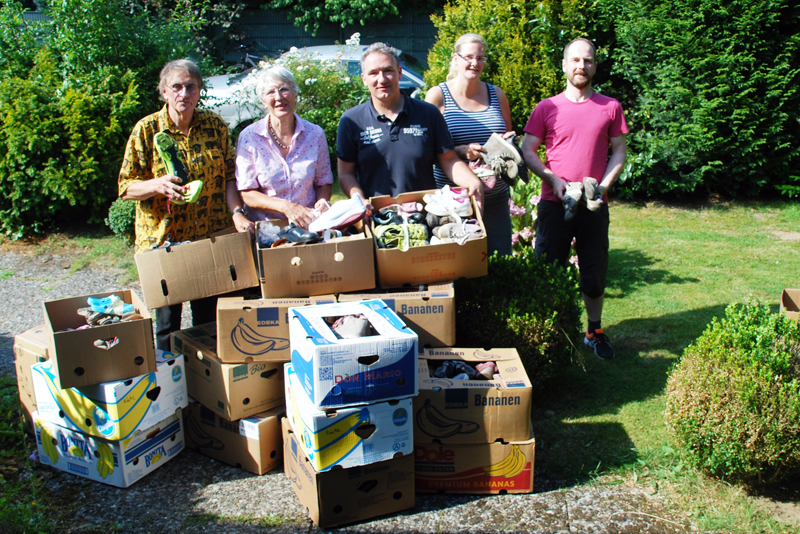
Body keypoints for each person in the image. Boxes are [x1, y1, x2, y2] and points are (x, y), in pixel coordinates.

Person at [119, 58, 254, 351]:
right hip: (165, 240)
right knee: (168, 322)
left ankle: (202, 382)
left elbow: (230, 176)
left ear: (199, 90)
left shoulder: (214, 125)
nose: (184, 93)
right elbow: (126, 187)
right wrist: (157, 185)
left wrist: (236, 213)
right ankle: (171, 382)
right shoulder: (147, 130)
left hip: (207, 237)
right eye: (176, 87)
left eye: (190, 86)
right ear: (164, 92)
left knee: (207, 321)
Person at [521, 38, 628, 359]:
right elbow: (528, 149)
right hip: (555, 204)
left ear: (595, 66)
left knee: (594, 273)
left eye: (589, 60)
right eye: (576, 60)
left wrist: (604, 186)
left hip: (594, 205)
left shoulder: (610, 107)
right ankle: (549, 332)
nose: (582, 65)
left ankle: (593, 331)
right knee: (548, 270)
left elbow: (619, 150)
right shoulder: (547, 107)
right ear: (565, 65)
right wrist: (552, 179)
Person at [337, 42, 483, 209]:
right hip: (377, 215)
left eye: (388, 71)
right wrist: (359, 201)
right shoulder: (351, 120)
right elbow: (346, 174)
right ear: (364, 79)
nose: (382, 79)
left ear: (399, 73)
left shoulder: (428, 113)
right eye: (373, 73)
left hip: (426, 212)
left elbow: (448, 160)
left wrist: (472, 181)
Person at [425, 33, 515, 256]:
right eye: (468, 57)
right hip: (453, 202)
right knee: (458, 264)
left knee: (499, 261)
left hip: (495, 197)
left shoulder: (497, 94)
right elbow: (425, 151)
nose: (475, 63)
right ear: (455, 59)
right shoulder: (437, 96)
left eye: (481, 58)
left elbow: (509, 136)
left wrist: (508, 144)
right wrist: (461, 151)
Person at [235, 66, 333, 228]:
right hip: (267, 229)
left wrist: (323, 201)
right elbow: (247, 193)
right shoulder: (249, 137)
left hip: (308, 225)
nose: (279, 97)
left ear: (295, 94)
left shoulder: (315, 134)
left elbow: (323, 182)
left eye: (284, 89)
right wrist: (287, 208)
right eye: (270, 92)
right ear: (263, 100)